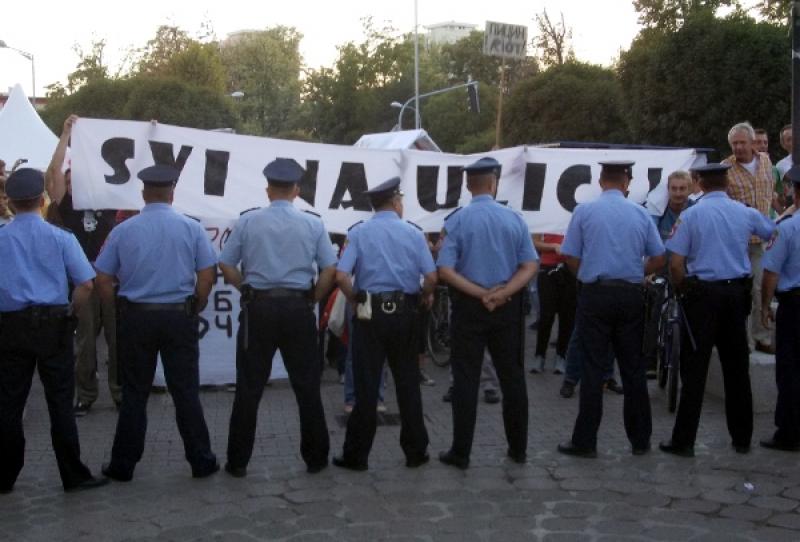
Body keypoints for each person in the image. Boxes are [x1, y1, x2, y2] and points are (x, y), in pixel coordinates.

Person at [94, 164, 219, 481]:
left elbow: (103, 276)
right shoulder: (191, 228)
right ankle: (201, 460)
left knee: (135, 393)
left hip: (137, 317)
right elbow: (207, 274)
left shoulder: (123, 230)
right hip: (179, 316)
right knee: (185, 391)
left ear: (143, 194)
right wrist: (196, 304)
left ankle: (123, 465)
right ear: (172, 193)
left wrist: (115, 309)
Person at [219, 158, 336, 476]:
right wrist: (313, 297)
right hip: (298, 309)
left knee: (249, 387)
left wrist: (245, 286)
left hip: (259, 309)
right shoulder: (313, 223)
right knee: (307, 386)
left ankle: (238, 461)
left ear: (268, 189)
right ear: (296, 190)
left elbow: (226, 264)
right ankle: (316, 458)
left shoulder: (247, 222)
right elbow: (329, 268)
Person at [0, 168, 108, 493]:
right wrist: (71, 312)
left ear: (12, 202)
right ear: (42, 198)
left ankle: (4, 474)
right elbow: (86, 284)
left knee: (8, 403)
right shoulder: (60, 237)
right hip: (53, 324)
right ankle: (72, 474)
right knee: (60, 401)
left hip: (10, 327)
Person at [660, 163, 775, 458]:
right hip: (736, 294)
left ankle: (684, 441)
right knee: (737, 369)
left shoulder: (691, 215)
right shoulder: (744, 211)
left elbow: (675, 263)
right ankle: (742, 437)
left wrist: (683, 289)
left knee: (694, 370)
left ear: (699, 183)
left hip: (702, 296)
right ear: (726, 183)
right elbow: (771, 232)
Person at [557, 161, 665, 458]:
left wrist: (586, 273)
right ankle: (640, 440)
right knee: (633, 369)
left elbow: (568, 255)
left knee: (593, 368)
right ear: (626, 183)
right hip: (630, 293)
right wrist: (637, 271)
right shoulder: (641, 213)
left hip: (596, 293)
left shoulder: (584, 211)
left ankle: (585, 441)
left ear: (602, 181)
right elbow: (658, 257)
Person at [437, 157, 538, 469]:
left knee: (466, 379)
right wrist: (503, 293)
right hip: (507, 309)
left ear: (469, 185)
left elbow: (444, 269)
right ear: (494, 184)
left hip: (469, 307)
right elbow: (530, 265)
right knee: (512, 379)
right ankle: (518, 449)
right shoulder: (514, 219)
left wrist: (480, 293)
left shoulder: (457, 221)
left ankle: (461, 452)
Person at [333, 177, 437, 471]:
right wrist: (425, 298)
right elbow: (431, 278)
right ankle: (416, 452)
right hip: (405, 313)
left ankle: (356, 455)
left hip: (369, 314)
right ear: (395, 202)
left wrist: (354, 299)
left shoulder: (359, 233)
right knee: (407, 384)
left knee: (366, 386)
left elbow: (341, 276)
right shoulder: (414, 234)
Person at [45, 114, 120, 414]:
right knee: (86, 342)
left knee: (117, 340)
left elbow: (134, 174)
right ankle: (86, 394)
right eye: (69, 178)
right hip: (84, 281)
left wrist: (147, 138)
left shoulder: (108, 201)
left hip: (111, 279)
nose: (71, 181)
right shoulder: (66, 207)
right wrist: (65, 135)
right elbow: (52, 172)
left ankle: (120, 391)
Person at [722, 122, 775, 355]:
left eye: (742, 143)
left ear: (753, 143)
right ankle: (743, 340)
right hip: (737, 240)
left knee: (760, 289)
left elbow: (769, 193)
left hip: (762, 239)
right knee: (739, 292)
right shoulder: (726, 168)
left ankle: (761, 336)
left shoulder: (765, 161)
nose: (738, 148)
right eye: (734, 144)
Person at [760, 175, 800, 452]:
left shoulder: (788, 228)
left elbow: (771, 273)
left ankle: (789, 432)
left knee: (791, 368)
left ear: (795, 194)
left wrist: (764, 306)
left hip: (795, 305)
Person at [530, 234, 575, 375]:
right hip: (548, 268)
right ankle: (540, 355)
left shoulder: (574, 216)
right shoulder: (547, 217)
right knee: (546, 316)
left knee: (567, 316)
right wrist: (554, 247)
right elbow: (534, 242)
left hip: (571, 268)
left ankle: (561, 355)